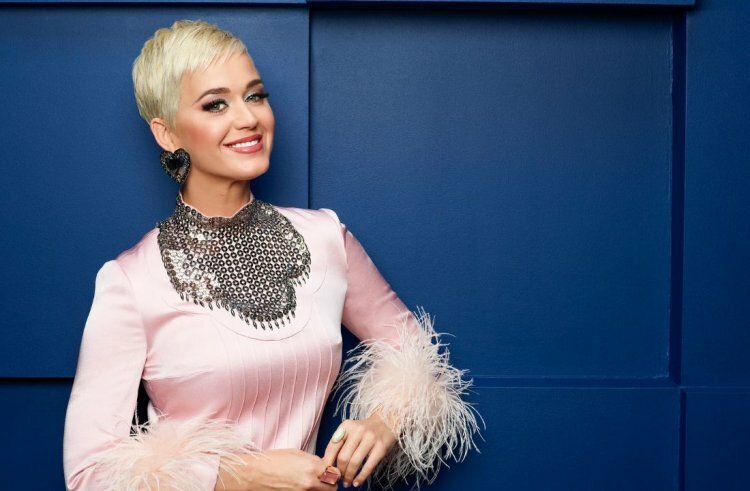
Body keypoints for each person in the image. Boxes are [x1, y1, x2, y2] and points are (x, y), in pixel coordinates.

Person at [63, 19, 482, 491]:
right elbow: (89, 475)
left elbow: (418, 357)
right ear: (167, 133)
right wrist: (240, 474)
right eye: (216, 104)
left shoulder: (326, 238)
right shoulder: (131, 281)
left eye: (255, 95)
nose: (248, 118)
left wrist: (385, 420)